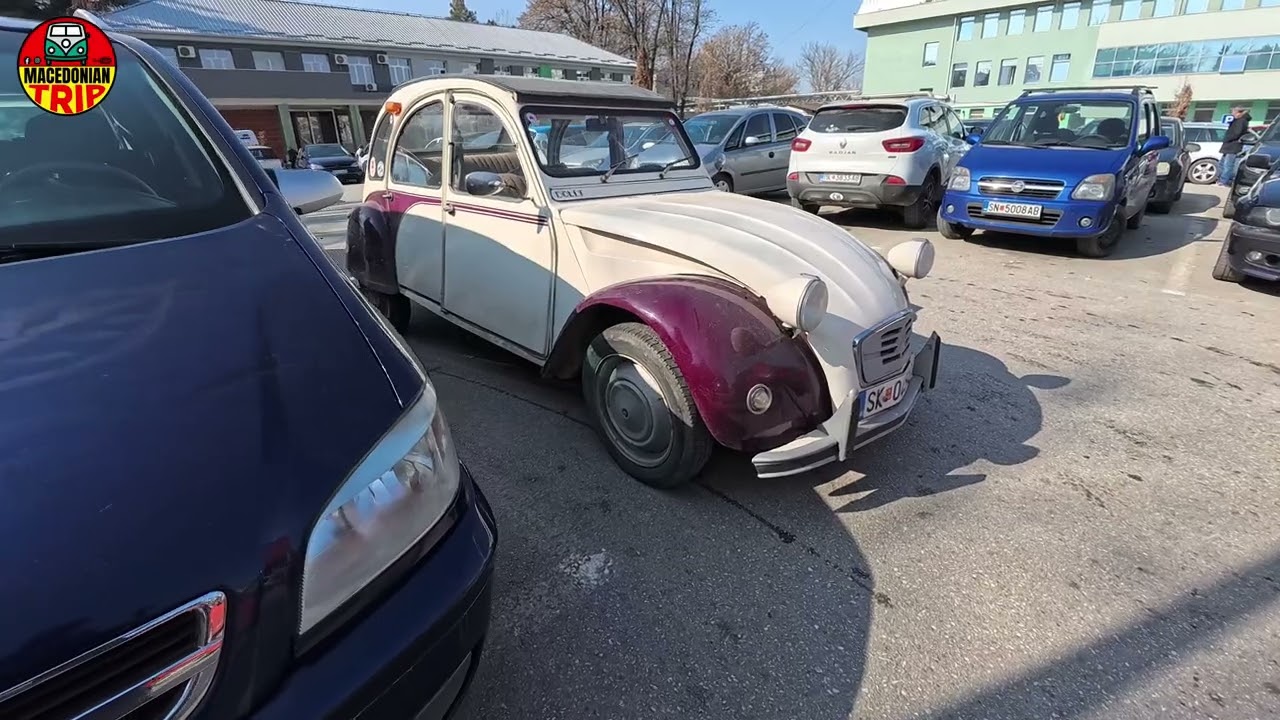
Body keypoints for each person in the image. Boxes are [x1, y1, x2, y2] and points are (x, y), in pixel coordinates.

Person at [1219, 105, 1253, 187]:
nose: (1232, 113)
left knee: (1228, 165)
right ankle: (1222, 180)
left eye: (1233, 112)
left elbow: (1236, 133)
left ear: (1238, 113)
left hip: (1233, 146)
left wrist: (1228, 139)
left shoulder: (1241, 121)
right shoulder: (1239, 120)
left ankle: (1224, 181)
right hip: (1229, 146)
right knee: (1222, 164)